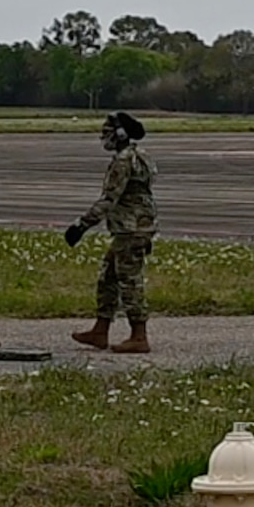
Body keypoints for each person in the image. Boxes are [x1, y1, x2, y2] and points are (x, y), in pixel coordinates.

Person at [65, 110, 157, 354]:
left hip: (130, 229)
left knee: (130, 281)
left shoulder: (123, 161)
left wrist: (81, 225)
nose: (103, 138)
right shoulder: (140, 155)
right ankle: (100, 330)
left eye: (107, 133)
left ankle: (139, 335)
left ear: (120, 134)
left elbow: (109, 199)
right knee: (108, 278)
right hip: (135, 227)